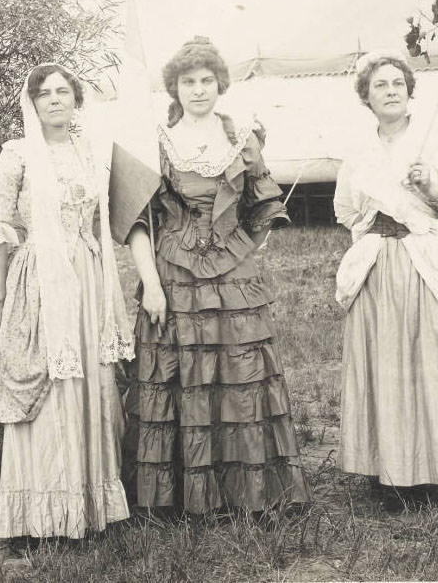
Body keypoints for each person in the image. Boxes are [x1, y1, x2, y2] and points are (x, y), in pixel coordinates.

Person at [123, 37, 311, 516]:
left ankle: (245, 495)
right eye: (189, 82)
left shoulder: (242, 140)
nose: (199, 90)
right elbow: (140, 221)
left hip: (233, 279)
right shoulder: (157, 143)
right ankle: (181, 497)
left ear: (220, 84)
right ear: (174, 88)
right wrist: (152, 284)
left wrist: (240, 249)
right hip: (173, 275)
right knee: (180, 377)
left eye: (207, 80)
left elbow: (264, 207)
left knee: (240, 376)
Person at [333, 52, 438, 530]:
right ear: (366, 97)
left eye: (398, 83)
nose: (390, 90)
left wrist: (432, 187)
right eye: (380, 84)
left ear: (410, 91)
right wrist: (376, 230)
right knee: (386, 368)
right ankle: (396, 475)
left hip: (431, 264)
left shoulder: (436, 143)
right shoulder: (359, 152)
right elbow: (345, 210)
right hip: (380, 268)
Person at [0, 63, 134, 548]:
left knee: (89, 384)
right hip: (40, 281)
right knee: (44, 387)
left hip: (87, 281)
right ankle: (39, 515)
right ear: (32, 102)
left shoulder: (92, 152)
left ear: (76, 99)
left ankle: (88, 508)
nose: (55, 100)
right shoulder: (17, 154)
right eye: (44, 94)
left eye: (63, 91)